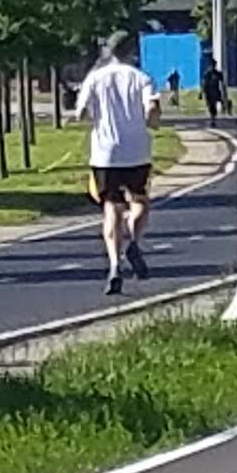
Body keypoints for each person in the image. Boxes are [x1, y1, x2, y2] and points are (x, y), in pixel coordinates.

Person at [76, 29, 159, 292]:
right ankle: (133, 241)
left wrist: (94, 117)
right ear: (132, 51)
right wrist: (151, 121)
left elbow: (81, 113)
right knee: (140, 200)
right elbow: (152, 110)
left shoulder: (95, 78)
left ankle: (114, 264)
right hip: (137, 150)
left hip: (105, 154)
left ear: (109, 51)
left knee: (111, 207)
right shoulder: (142, 78)